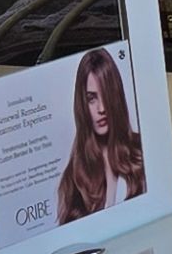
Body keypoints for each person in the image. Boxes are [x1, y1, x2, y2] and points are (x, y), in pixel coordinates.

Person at [56, 47, 146, 224]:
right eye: (92, 99)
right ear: (82, 104)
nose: (102, 108)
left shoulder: (141, 152)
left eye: (106, 95)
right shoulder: (73, 176)